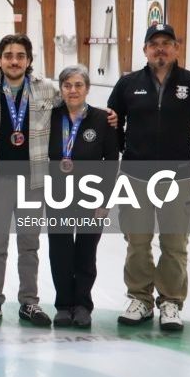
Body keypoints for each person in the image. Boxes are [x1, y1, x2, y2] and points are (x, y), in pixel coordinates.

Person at [108, 24, 190, 331]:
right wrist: (127, 152)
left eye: (166, 43)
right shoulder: (128, 84)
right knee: (137, 242)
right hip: (135, 177)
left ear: (176, 48)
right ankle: (140, 299)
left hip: (177, 179)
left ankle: (170, 302)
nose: (160, 48)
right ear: (145, 50)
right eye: (154, 43)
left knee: (174, 244)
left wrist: (189, 159)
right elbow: (112, 124)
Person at [0, 33, 56, 327]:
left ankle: (29, 303)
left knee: (29, 244)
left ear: (29, 60)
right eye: (8, 55)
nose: (14, 61)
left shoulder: (48, 91)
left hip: (33, 181)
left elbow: (70, 116)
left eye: (20, 55)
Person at [46, 65, 118, 328]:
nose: (73, 90)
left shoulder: (103, 119)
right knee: (60, 251)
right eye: (67, 85)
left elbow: (111, 161)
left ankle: (83, 305)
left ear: (87, 88)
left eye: (78, 85)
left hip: (91, 197)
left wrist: (105, 200)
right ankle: (64, 305)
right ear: (61, 89)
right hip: (57, 197)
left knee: (87, 252)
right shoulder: (50, 117)